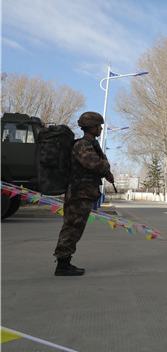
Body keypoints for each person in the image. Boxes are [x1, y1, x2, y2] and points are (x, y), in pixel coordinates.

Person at [53, 112, 114, 276]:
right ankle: (62, 264)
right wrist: (106, 166)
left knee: (76, 229)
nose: (100, 128)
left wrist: (106, 172)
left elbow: (97, 166)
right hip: (78, 194)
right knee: (71, 228)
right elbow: (95, 164)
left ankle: (65, 262)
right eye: (98, 126)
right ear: (91, 126)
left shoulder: (91, 145)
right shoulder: (82, 145)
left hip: (84, 193)